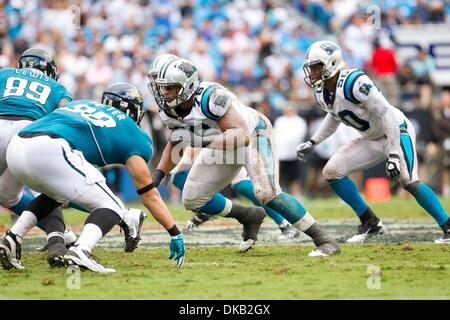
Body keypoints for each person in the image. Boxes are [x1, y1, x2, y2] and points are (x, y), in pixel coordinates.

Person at [150, 56, 340, 256]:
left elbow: (241, 136)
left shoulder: (211, 96)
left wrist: (201, 141)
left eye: (170, 87)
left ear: (187, 86)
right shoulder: (169, 110)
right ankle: (249, 215)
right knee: (192, 198)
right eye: (163, 87)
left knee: (268, 193)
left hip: (253, 134)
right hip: (221, 143)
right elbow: (176, 141)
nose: (165, 93)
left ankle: (324, 240)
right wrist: (159, 174)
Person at [0, 83, 186, 273]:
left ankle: (13, 238)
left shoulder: (82, 104)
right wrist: (175, 232)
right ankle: (81, 250)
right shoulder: (134, 133)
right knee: (114, 206)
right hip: (49, 148)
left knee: (56, 195)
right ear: (134, 110)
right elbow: (149, 195)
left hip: (17, 145)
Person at [296, 40, 450, 244]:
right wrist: (314, 141)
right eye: (311, 67)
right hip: (370, 138)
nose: (312, 72)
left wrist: (394, 153)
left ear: (332, 64)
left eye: (317, 66)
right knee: (331, 172)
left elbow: (387, 114)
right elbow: (334, 116)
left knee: (408, 180)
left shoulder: (354, 82)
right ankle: (370, 222)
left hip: (395, 131)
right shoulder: (321, 91)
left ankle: (447, 226)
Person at [0, 47, 78, 265]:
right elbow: (67, 114)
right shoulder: (56, 86)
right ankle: (58, 243)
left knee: (7, 196)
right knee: (47, 190)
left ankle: (61, 237)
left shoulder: (5, 73)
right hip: (28, 131)